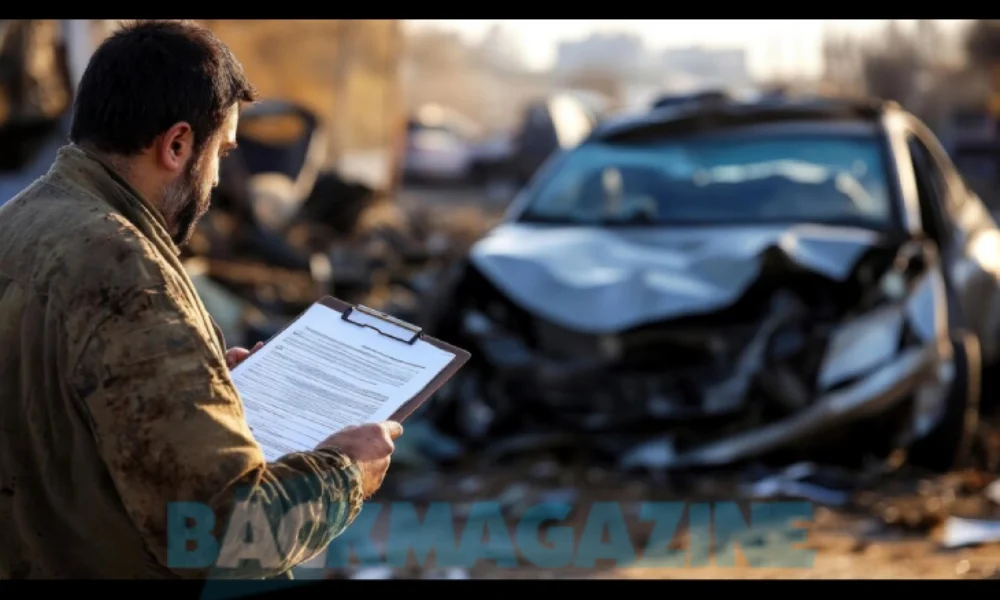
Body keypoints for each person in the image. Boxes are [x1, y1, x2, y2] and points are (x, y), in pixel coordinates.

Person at [0, 20, 400, 579]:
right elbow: (221, 533)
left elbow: (66, 408)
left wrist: (202, 385)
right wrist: (345, 473)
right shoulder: (128, 273)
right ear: (178, 145)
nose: (216, 180)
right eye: (223, 152)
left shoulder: (17, 222)